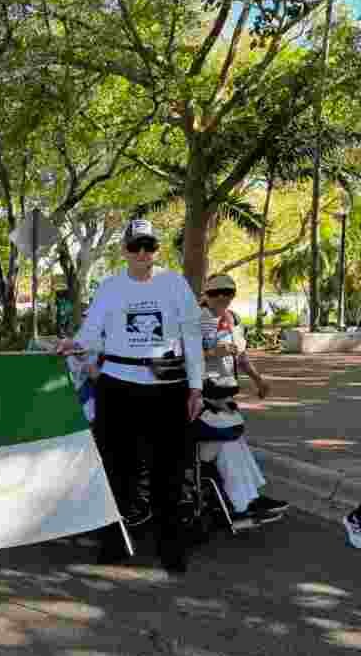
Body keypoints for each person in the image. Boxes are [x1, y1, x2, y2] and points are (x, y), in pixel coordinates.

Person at [56, 219, 205, 574]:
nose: (142, 253)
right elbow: (92, 332)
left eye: (148, 246)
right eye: (135, 246)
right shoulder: (110, 287)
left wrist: (196, 386)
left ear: (157, 249)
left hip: (168, 382)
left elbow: (192, 337)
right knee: (116, 467)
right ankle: (114, 541)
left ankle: (171, 547)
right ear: (124, 250)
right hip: (118, 383)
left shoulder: (175, 285)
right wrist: (75, 343)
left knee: (168, 471)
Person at [198, 274, 288, 521]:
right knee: (224, 442)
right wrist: (211, 352)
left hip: (224, 396)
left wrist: (259, 379)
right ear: (206, 294)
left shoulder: (233, 320)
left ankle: (252, 496)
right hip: (199, 396)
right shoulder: (195, 319)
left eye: (228, 292)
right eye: (216, 292)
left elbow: (241, 356)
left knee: (234, 441)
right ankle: (241, 503)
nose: (222, 297)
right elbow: (180, 356)